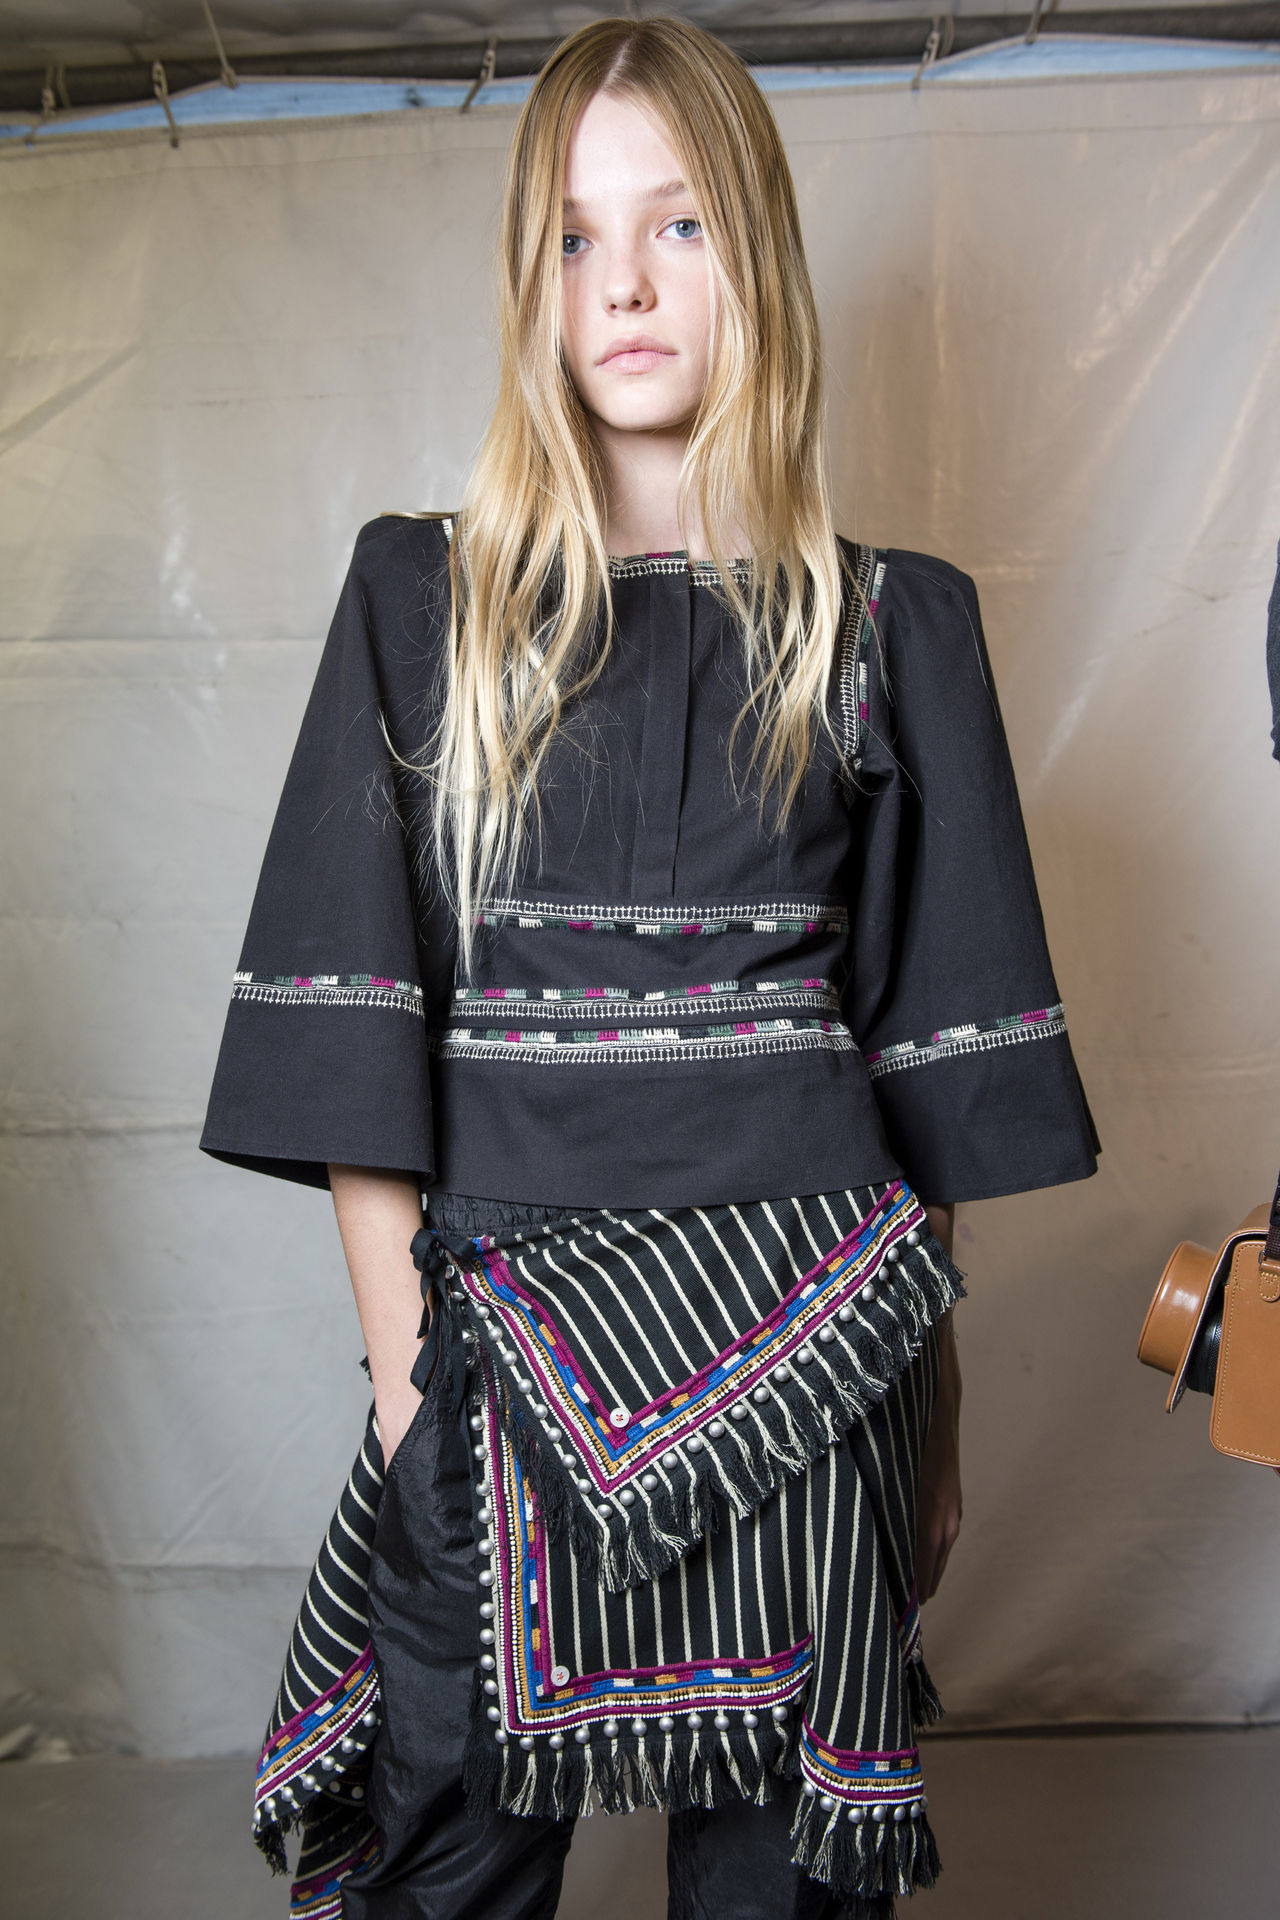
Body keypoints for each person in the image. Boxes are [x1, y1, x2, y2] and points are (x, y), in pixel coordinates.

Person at [200, 16, 1099, 1918]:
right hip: (496, 1363)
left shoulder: (885, 627)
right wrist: (409, 1403)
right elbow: (355, 1047)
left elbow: (928, 1090)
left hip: (818, 1370)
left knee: (782, 1892)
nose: (622, 281)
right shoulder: (424, 604)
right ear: (530, 278)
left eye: (678, 224)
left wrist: (929, 1420)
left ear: (754, 253)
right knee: (445, 1874)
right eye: (575, 235)